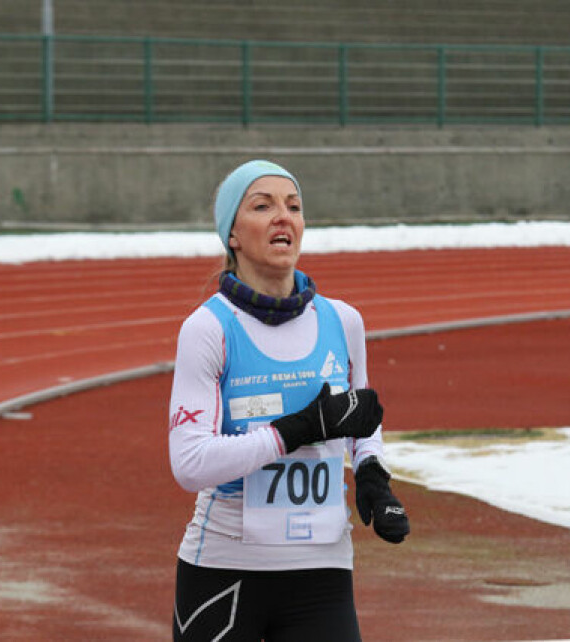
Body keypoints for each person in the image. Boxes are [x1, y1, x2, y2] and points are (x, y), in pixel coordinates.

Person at [168, 159, 410, 642]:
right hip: (224, 570)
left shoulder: (343, 322)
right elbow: (190, 463)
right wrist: (294, 430)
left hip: (322, 569)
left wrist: (372, 477)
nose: (284, 217)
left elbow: (360, 421)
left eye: (293, 206)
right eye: (263, 206)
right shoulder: (209, 328)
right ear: (232, 235)